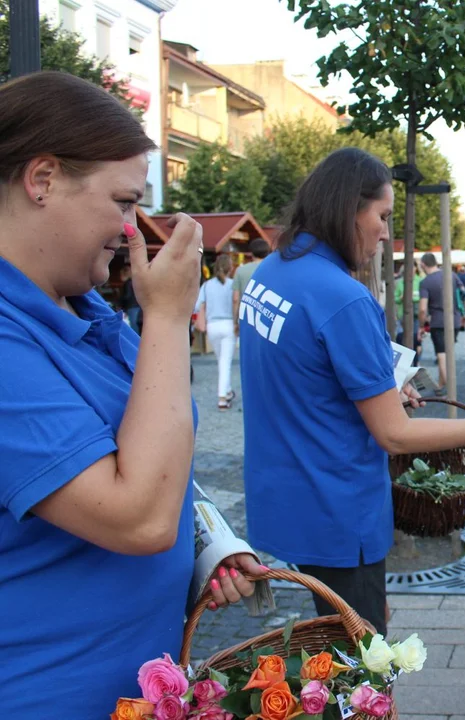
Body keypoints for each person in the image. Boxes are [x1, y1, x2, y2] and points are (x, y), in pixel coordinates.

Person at [0, 71, 261, 719]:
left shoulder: (85, 309)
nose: (129, 228)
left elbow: (158, 450)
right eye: (121, 202)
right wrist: (170, 320)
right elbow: (139, 518)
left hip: (136, 690)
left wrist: (207, 540)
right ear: (43, 180)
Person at [240, 147, 465, 634]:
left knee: (332, 652)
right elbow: (394, 435)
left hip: (287, 500)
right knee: (361, 677)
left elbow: (301, 374)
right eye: (383, 216)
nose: (387, 233)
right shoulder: (342, 296)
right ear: (349, 209)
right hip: (338, 509)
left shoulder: (272, 272)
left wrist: (381, 385)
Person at [418, 252, 464, 396]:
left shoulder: (425, 282)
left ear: (424, 265)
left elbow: (422, 308)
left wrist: (421, 324)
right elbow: (463, 293)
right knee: (447, 352)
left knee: (442, 355)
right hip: (455, 319)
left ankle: (450, 389)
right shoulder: (452, 275)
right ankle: (440, 385)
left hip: (438, 321)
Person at [196, 253, 237, 410]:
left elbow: (199, 305)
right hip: (228, 324)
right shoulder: (233, 285)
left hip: (212, 325)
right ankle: (222, 397)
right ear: (230, 268)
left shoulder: (206, 286)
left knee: (221, 360)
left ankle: (226, 391)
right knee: (225, 362)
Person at [233, 237, 271, 337]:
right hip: (267, 317)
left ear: (251, 253)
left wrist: (235, 321)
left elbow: (236, 298)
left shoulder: (240, 271)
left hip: (246, 316)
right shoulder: (273, 269)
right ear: (267, 252)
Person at [120, 263, 143, 333]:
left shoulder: (128, 283)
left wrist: (121, 304)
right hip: (138, 305)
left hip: (131, 306)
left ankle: (136, 342)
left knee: (134, 326)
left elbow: (127, 296)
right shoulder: (135, 281)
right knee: (137, 325)